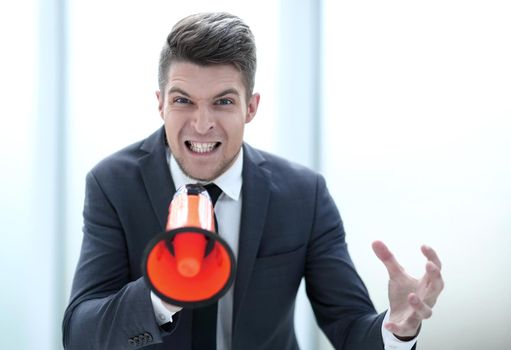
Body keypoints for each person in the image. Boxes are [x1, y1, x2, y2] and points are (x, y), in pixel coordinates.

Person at [62, 12, 444, 350]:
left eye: (223, 102)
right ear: (160, 103)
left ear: (251, 107)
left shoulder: (303, 195)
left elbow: (349, 328)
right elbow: (81, 335)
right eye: (183, 101)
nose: (201, 123)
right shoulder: (112, 183)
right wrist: (160, 296)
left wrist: (398, 328)